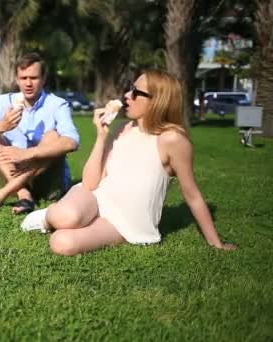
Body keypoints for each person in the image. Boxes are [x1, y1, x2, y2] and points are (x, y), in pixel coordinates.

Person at [21, 70, 236, 255]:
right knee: (64, 216)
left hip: (123, 222)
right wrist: (101, 136)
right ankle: (47, 217)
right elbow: (90, 183)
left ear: (158, 101)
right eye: (130, 89)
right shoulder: (122, 127)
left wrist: (216, 244)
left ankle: (64, 219)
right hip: (95, 197)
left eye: (136, 92)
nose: (127, 95)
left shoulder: (172, 140)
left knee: (62, 243)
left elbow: (192, 195)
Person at [0, 53, 80, 215]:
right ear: (17, 79)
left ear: (44, 79)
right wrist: (2, 125)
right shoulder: (4, 101)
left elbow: (72, 142)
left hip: (49, 184)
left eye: (33, 78)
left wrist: (27, 154)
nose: (28, 83)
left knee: (53, 136)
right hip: (12, 174)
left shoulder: (57, 104)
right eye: (23, 78)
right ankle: (24, 194)